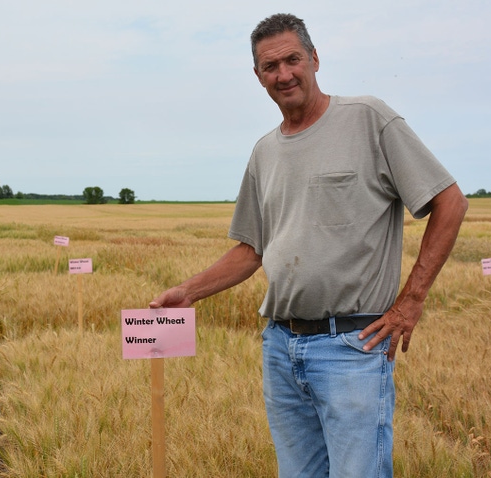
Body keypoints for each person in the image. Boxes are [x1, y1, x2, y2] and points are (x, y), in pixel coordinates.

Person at [149, 13, 469, 478]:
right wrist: (189, 292)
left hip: (352, 346)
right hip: (281, 345)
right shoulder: (264, 152)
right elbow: (252, 250)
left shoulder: (368, 119)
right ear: (257, 77)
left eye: (292, 59)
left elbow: (451, 203)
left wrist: (410, 302)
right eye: (270, 66)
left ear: (315, 59)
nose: (284, 74)